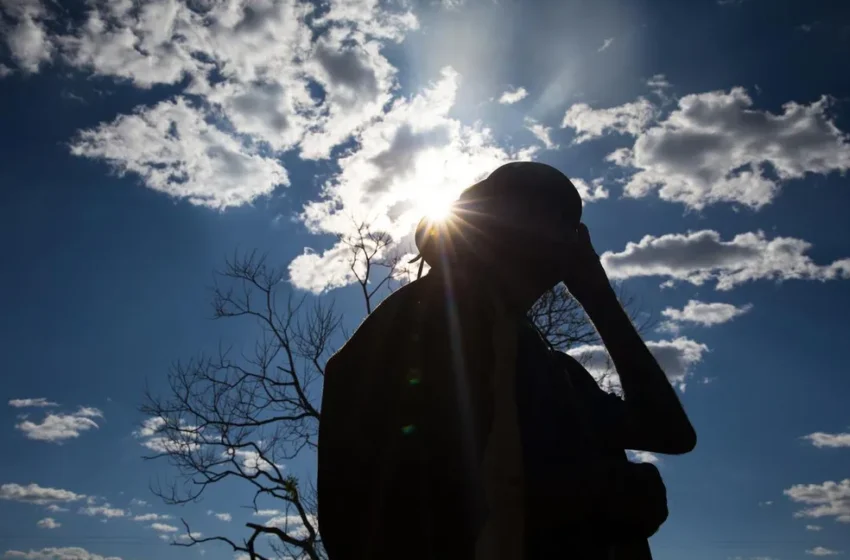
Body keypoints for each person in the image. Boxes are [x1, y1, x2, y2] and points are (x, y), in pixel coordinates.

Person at [317, 162, 697, 560]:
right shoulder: (421, 322)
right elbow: (411, 498)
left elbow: (669, 433)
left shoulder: (558, 372)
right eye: (535, 216)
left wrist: (600, 300)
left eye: (564, 226)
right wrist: (594, 495)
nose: (559, 237)